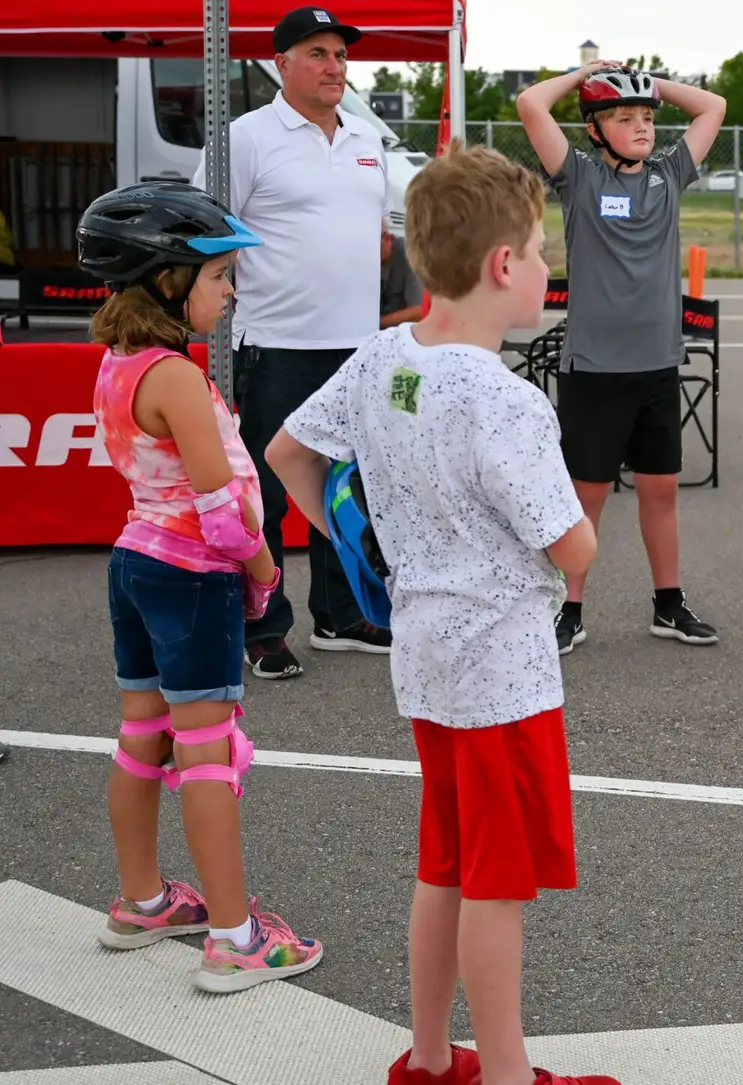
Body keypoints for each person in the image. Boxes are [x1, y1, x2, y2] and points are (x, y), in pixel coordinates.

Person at [266, 145, 616, 1085]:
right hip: (502, 671)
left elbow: (289, 451)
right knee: (497, 887)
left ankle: (427, 1056)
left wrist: (356, 550)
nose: (547, 269)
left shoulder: (386, 358)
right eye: (541, 251)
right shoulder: (507, 400)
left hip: (424, 655)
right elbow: (570, 546)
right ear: (504, 265)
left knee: (446, 862)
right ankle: (506, 1074)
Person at [79, 181, 324, 993]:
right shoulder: (177, 379)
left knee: (140, 736)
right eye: (219, 277)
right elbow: (222, 509)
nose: (229, 290)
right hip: (192, 575)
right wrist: (264, 573)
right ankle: (236, 936)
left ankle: (144, 899)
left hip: (136, 563)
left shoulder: (119, 366)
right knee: (208, 756)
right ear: (168, 281)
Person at [194, 5, 392, 679]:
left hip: (357, 348)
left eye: (340, 54)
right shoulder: (247, 137)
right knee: (270, 494)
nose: (334, 66)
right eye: (317, 53)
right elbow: (208, 226)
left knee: (344, 488)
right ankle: (265, 626)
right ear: (281, 64)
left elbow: (388, 229)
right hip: (276, 345)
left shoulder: (368, 138)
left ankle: (342, 616)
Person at [517, 61, 727, 654]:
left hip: (657, 365)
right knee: (586, 497)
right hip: (595, 370)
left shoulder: (668, 173)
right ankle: (569, 609)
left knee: (661, 491)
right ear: (594, 128)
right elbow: (532, 104)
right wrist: (586, 73)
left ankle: (669, 604)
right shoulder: (579, 178)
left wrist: (649, 86)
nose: (641, 127)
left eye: (646, 118)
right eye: (623, 117)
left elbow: (713, 107)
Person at [380, 228, 426, 328]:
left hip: (400, 333)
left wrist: (376, 324)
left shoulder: (409, 254)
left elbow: (417, 311)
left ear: (387, 238)